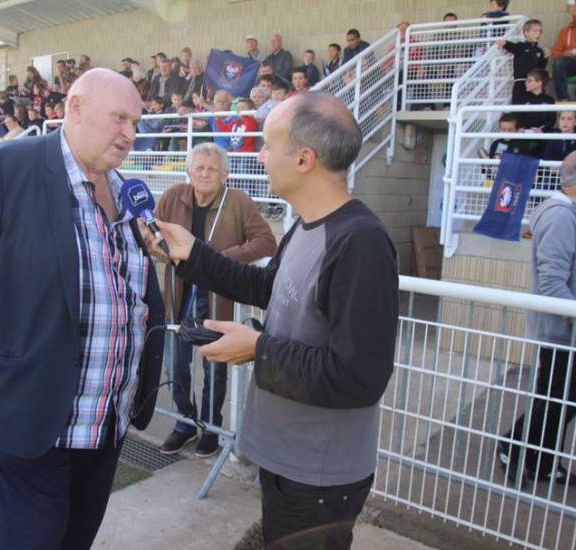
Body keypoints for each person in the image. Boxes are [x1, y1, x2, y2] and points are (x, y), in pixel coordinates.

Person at [140, 92, 398, 549]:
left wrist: (257, 348)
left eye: (266, 143)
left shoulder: (361, 242)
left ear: (303, 159)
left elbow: (359, 377)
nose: (257, 154)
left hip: (319, 474)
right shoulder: (305, 224)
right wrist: (191, 255)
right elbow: (267, 289)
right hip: (286, 456)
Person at [0, 69, 165, 550]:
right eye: (119, 119)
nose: (130, 134)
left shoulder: (124, 190)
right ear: (74, 108)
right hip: (29, 419)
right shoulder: (6, 169)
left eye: (135, 122)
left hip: (104, 424)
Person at [498, 148, 576, 488]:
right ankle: (512, 448)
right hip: (561, 329)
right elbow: (551, 282)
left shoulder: (575, 213)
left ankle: (544, 463)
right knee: (553, 401)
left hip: (571, 328)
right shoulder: (562, 216)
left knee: (564, 401)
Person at [155, 143, 276, 457]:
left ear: (225, 174)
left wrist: (218, 261)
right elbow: (152, 233)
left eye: (212, 169)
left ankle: (211, 426)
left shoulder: (237, 201)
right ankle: (184, 422)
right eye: (200, 167)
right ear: (189, 171)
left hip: (216, 299)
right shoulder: (173, 197)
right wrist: (159, 247)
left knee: (214, 366)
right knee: (175, 364)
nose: (205, 174)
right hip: (179, 296)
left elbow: (266, 241)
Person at [496, 19, 549, 101]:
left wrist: (545, 58)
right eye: (535, 31)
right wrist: (503, 43)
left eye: (540, 31)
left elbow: (541, 68)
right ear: (526, 32)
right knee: (518, 107)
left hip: (534, 83)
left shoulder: (540, 51)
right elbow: (506, 44)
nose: (538, 33)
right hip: (521, 82)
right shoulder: (520, 46)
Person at [513, 69, 556, 135]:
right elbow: (516, 116)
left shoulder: (549, 100)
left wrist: (542, 129)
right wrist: (519, 127)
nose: (526, 82)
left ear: (539, 83)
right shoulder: (521, 98)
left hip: (541, 135)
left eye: (529, 80)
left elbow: (551, 120)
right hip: (522, 134)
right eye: (526, 80)